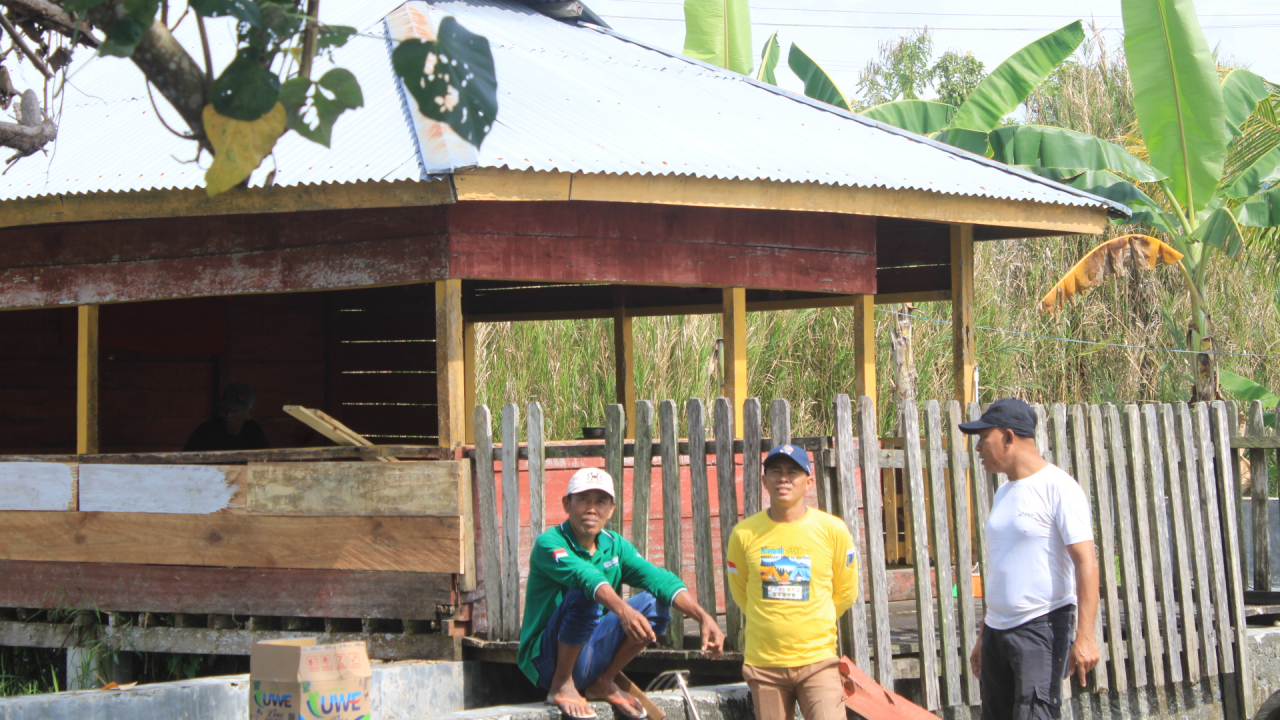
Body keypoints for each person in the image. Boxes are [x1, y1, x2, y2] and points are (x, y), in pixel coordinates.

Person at [518, 467, 725, 720]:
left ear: (611, 510)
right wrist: (624, 610)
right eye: (583, 499)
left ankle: (603, 681)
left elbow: (659, 578)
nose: (591, 508)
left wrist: (702, 617)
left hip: (590, 654)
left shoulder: (614, 544)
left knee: (656, 602)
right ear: (566, 504)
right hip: (547, 661)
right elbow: (586, 577)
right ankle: (562, 685)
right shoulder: (549, 543)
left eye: (600, 501)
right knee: (586, 594)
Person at [960, 398, 1099, 720]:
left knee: (1035, 715)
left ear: (1009, 437)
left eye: (984, 438)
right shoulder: (1004, 492)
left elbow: (1086, 562)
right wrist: (985, 633)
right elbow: (1003, 568)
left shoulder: (1059, 487)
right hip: (998, 630)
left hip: (1042, 626)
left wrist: (1086, 636)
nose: (978, 448)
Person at [726, 444, 858, 720]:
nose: (783, 478)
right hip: (765, 666)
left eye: (792, 472)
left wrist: (812, 620)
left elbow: (846, 591)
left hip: (818, 661)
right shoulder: (743, 534)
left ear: (809, 481)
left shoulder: (832, 530)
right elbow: (742, 593)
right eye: (775, 471)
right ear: (764, 480)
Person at [183, 382, 270, 451]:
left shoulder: (254, 432)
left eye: (235, 411)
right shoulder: (205, 431)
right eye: (225, 409)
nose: (228, 415)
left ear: (249, 414)